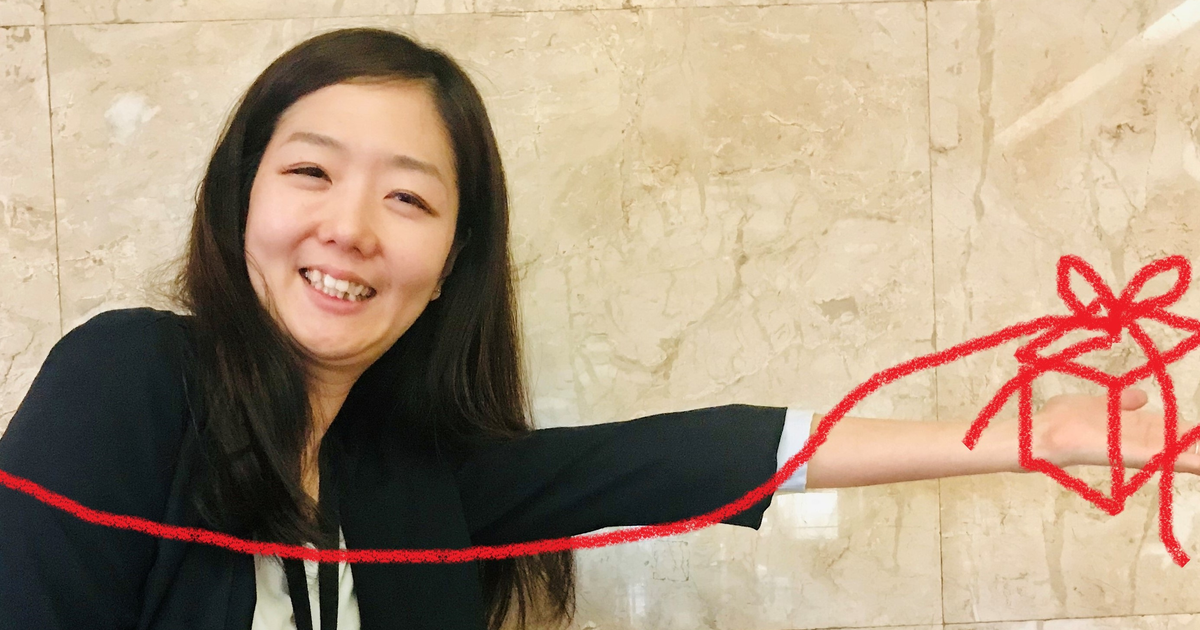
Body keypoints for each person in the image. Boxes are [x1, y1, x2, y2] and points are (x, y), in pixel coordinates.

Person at [0, 26, 1195, 630]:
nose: (350, 228)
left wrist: (1030, 434)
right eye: (310, 172)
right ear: (242, 201)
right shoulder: (131, 379)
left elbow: (693, 458)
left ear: (451, 262)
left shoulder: (412, 480)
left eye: (409, 198)